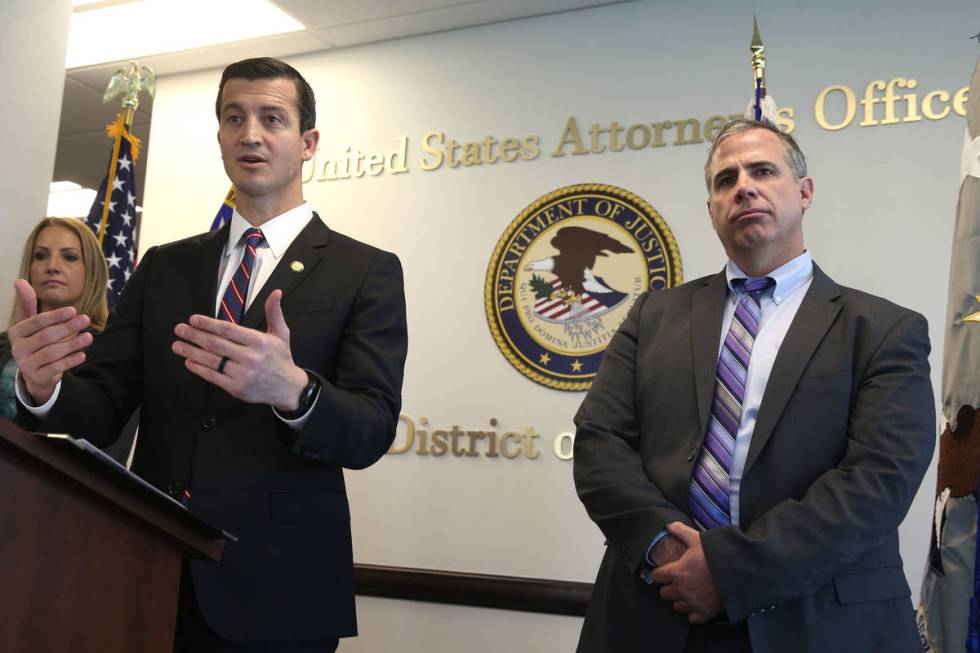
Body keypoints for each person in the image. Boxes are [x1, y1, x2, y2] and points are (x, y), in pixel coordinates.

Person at [9, 57, 407, 651]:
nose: (251, 133)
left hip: (278, 591)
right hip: (144, 568)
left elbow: (372, 429)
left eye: (272, 118)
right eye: (234, 118)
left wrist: (294, 391)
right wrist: (42, 391)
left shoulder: (366, 270)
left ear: (308, 142)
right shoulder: (165, 266)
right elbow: (102, 406)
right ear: (220, 136)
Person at [572, 119, 934, 652]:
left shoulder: (883, 329)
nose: (743, 186)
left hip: (816, 621)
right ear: (712, 210)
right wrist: (669, 554)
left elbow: (879, 480)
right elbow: (599, 443)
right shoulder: (653, 315)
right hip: (656, 612)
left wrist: (728, 572)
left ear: (804, 192)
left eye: (763, 171)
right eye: (724, 180)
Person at [0, 217, 108, 420]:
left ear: (92, 271)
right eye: (40, 256)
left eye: (69, 257)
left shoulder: (111, 350)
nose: (52, 266)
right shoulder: (4, 343)